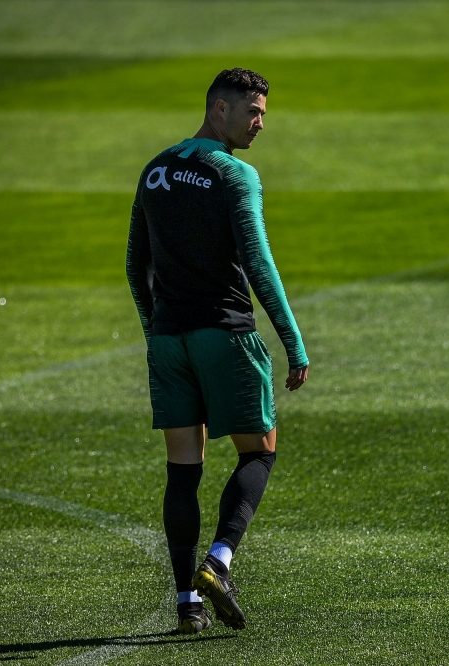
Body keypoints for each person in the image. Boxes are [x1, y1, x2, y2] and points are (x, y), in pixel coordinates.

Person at [126, 68, 309, 634]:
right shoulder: (234, 174)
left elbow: (137, 265)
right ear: (218, 109)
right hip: (225, 336)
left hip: (169, 342)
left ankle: (187, 606)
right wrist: (293, 342)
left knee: (183, 472)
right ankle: (218, 563)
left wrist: (154, 329)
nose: (259, 124)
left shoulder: (156, 168)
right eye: (252, 111)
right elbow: (258, 264)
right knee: (259, 453)